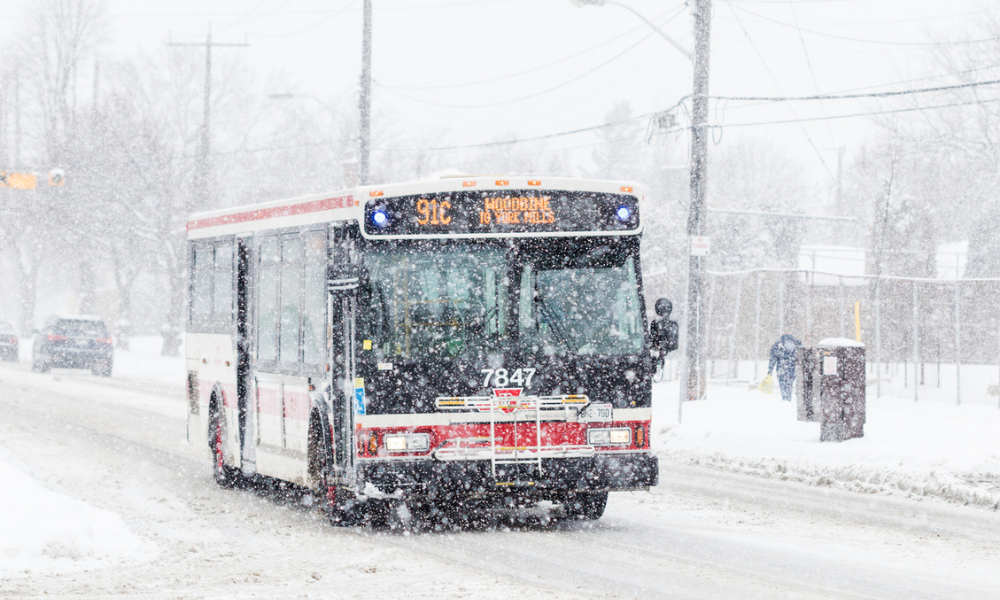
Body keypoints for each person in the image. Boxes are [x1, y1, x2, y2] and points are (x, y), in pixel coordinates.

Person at [768, 333, 802, 402]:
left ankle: (785, 398)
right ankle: (788, 397)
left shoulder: (778, 345)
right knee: (790, 383)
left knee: (782, 384)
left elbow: (773, 359)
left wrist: (770, 370)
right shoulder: (796, 344)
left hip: (781, 368)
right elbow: (801, 357)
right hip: (793, 368)